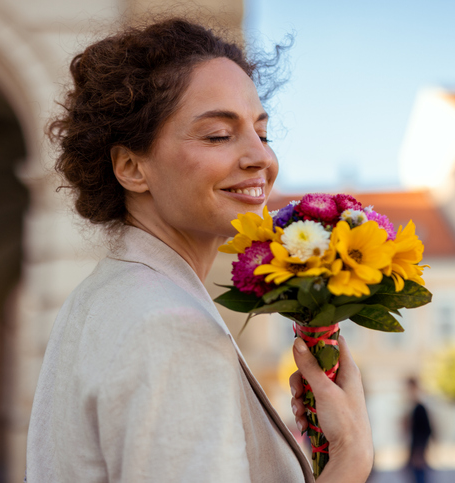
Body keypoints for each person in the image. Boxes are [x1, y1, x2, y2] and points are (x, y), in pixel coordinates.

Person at [25, 18, 373, 483]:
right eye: (217, 135)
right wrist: (350, 459)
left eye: (262, 133)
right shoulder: (169, 325)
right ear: (131, 167)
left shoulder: (104, 298)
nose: (262, 159)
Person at [405, 377, 432, 483]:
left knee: (419, 475)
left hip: (418, 449)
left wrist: (419, 450)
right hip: (415, 448)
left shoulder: (420, 408)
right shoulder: (415, 407)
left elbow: (426, 430)